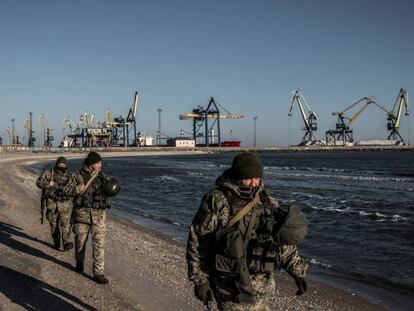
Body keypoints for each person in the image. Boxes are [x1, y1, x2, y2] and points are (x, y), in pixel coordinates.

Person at [187, 153, 308, 311]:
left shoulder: (266, 201)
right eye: (249, 178)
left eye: (257, 178)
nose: (254, 183)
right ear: (238, 175)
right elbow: (198, 241)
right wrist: (200, 281)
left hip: (262, 290)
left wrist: (298, 272)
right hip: (231, 291)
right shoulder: (218, 201)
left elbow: (281, 242)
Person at [72, 151, 112, 284]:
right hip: (81, 216)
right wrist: (78, 189)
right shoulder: (77, 176)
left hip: (99, 217)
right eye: (98, 163)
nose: (101, 165)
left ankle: (98, 273)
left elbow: (111, 190)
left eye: (100, 163)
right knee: (80, 243)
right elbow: (66, 190)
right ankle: (79, 263)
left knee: (99, 245)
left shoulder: (103, 178)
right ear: (91, 165)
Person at [36, 156, 75, 252]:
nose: (61, 166)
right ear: (56, 164)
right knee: (54, 226)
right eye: (60, 164)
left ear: (66, 165)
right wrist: (48, 184)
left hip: (65, 206)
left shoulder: (70, 175)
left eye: (63, 164)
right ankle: (56, 242)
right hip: (52, 205)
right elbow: (38, 182)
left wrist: (64, 190)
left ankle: (66, 243)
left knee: (65, 225)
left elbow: (73, 190)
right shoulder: (48, 173)